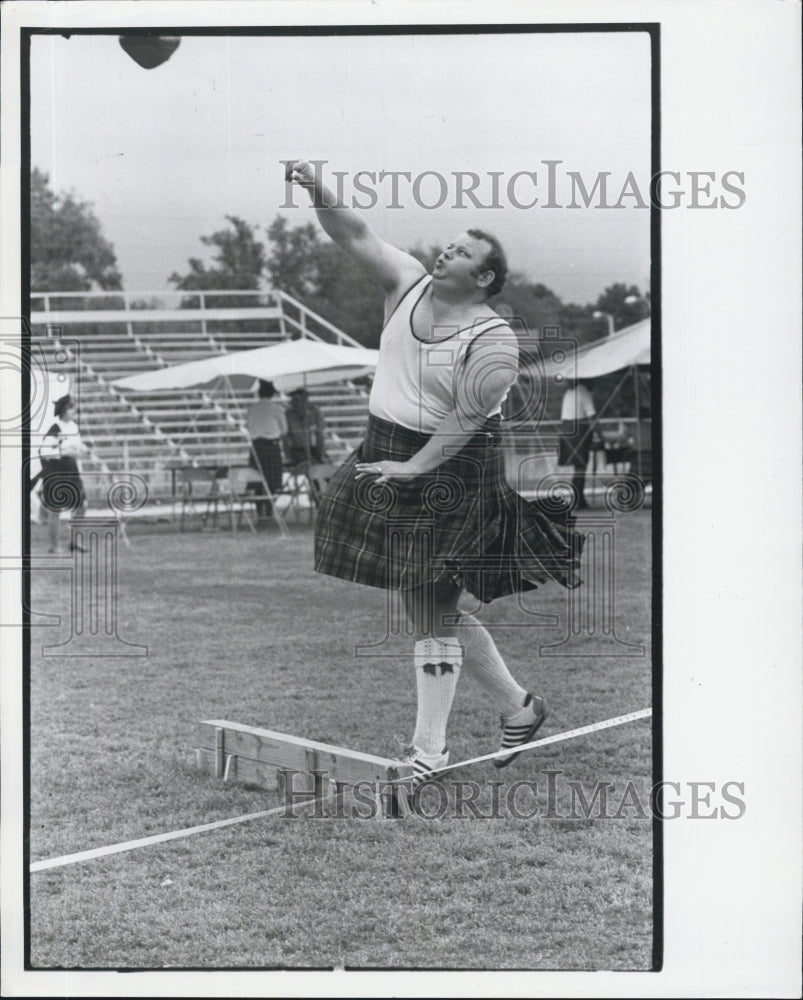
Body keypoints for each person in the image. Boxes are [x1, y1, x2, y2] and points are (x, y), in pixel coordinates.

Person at [286, 160, 582, 796]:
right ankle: (519, 709)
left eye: (464, 252)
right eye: (450, 244)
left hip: (456, 466)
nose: (447, 252)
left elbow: (467, 419)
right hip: (390, 449)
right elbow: (353, 232)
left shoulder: (494, 340)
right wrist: (317, 188)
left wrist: (412, 468)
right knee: (428, 606)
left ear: (485, 278)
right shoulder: (406, 283)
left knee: (431, 609)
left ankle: (430, 751)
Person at [38, 394, 88, 553]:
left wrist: (82, 450)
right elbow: (44, 451)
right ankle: (54, 546)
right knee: (56, 509)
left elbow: (77, 447)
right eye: (71, 408)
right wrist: (63, 451)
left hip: (71, 470)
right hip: (56, 471)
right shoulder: (55, 428)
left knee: (82, 505)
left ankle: (74, 542)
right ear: (64, 410)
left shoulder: (74, 427)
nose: (74, 411)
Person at [246, 379, 287, 518]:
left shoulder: (252, 409)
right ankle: (269, 509)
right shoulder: (277, 409)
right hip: (271, 446)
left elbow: (248, 427)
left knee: (257, 479)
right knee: (272, 480)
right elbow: (284, 430)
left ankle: (260, 510)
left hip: (256, 446)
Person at [558, 379, 601, 510]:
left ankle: (578, 498)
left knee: (578, 466)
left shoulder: (568, 392)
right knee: (581, 466)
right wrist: (600, 435)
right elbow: (592, 416)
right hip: (578, 430)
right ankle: (578, 500)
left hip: (566, 429)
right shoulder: (583, 392)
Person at [284, 387, 329, 467]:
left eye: (297, 401)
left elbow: (320, 434)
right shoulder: (288, 414)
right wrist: (288, 457)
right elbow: (286, 437)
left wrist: (321, 455)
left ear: (305, 401)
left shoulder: (315, 412)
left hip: (314, 449)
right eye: (292, 401)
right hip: (297, 450)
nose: (293, 403)